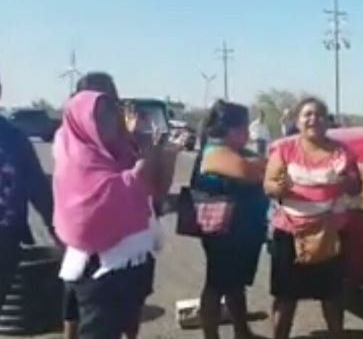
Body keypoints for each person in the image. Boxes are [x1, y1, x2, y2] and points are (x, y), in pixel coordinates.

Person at [53, 77, 171, 339]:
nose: (110, 119)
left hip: (132, 260)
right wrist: (147, 158)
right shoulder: (75, 152)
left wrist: (150, 149)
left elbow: (154, 190)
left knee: (124, 323)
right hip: (99, 268)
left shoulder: (121, 147)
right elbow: (112, 194)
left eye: (112, 108)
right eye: (100, 114)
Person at [264, 97, 362, 339]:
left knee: (333, 297)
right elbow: (269, 185)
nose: (313, 119)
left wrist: (348, 181)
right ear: (297, 121)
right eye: (307, 114)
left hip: (330, 234)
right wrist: (281, 188)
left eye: (319, 114)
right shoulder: (284, 149)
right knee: (285, 299)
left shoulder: (342, 152)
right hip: (289, 233)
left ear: (327, 121)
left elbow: (357, 187)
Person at [193, 100, 269, 339]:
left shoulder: (233, 151)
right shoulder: (216, 151)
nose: (248, 133)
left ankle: (241, 330)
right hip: (224, 231)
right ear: (230, 129)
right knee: (216, 284)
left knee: (234, 284)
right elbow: (251, 173)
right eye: (244, 127)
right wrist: (261, 165)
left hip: (240, 230)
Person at [0, 77, 55, 311]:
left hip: (6, 237)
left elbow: (38, 190)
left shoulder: (15, 138)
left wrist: (59, 232)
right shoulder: (15, 137)